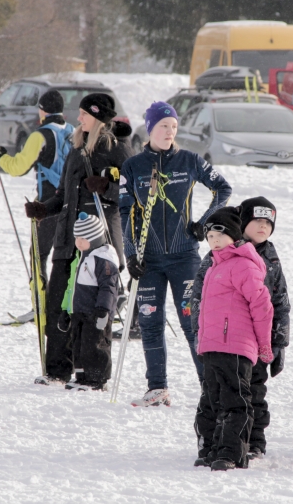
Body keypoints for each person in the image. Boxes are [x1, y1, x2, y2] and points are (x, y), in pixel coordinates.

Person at [119, 101, 232, 407]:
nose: (169, 132)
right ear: (150, 128)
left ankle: (209, 388)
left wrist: (206, 222)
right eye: (163, 126)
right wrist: (131, 255)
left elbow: (223, 188)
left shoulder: (189, 161)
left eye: (173, 127)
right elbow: (125, 212)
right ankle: (157, 388)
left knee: (192, 323)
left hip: (184, 257)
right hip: (149, 260)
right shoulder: (133, 167)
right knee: (150, 322)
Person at [25, 93, 133, 385]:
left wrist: (107, 188)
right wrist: (42, 209)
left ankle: (93, 372)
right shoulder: (75, 149)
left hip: (99, 241)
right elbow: (62, 195)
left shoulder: (118, 150)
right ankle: (57, 370)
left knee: (91, 311)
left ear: (98, 117)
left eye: (84, 114)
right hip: (67, 240)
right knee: (58, 304)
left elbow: (133, 195)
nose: (79, 118)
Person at [192, 197, 290, 463]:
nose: (262, 227)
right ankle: (213, 444)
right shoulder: (218, 253)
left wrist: (278, 341)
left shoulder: (269, 256)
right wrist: (200, 336)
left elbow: (278, 301)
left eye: (268, 223)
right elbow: (199, 297)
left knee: (253, 392)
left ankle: (253, 441)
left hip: (255, 340)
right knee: (215, 394)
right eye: (256, 221)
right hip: (220, 340)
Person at [0, 89, 75, 277]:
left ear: (42, 111)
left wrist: (0, 158)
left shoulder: (40, 135)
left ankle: (41, 305)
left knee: (39, 255)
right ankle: (65, 303)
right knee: (67, 258)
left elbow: (19, 167)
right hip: (73, 202)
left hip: (47, 205)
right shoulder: (74, 131)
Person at [60, 213, 120, 391]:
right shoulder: (83, 257)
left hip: (96, 313)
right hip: (80, 312)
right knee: (79, 344)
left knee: (95, 345)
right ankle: (82, 376)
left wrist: (103, 310)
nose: (78, 242)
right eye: (76, 237)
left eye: (83, 238)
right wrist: (66, 310)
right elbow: (72, 287)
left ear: (94, 238)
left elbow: (108, 287)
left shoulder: (104, 259)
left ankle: (96, 379)